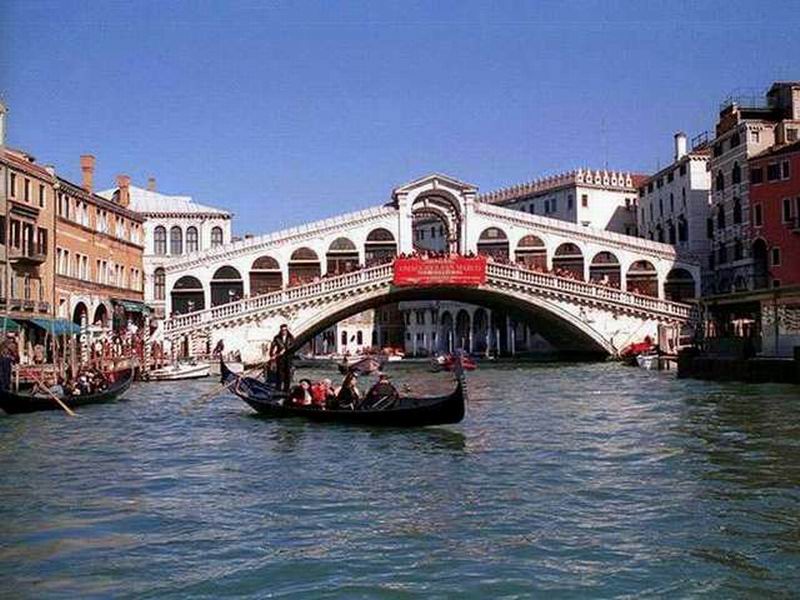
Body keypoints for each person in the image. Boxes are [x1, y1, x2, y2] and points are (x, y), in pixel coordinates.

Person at [269, 324, 295, 392]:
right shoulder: (277, 338)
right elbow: (272, 346)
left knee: (287, 373)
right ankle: (278, 388)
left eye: (285, 330)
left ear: (287, 330)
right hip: (280, 357)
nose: (284, 332)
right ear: (280, 330)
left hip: (288, 357)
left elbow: (292, 345)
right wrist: (272, 355)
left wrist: (285, 349)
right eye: (282, 330)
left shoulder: (290, 337)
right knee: (279, 373)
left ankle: (286, 388)